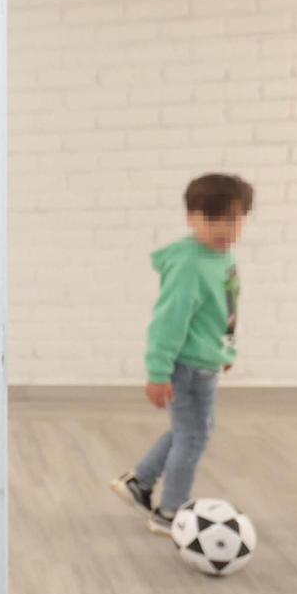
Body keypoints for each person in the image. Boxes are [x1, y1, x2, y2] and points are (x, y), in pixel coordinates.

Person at [110, 173, 253, 536]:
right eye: (212, 219)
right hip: (186, 368)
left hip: (205, 363)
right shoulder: (190, 265)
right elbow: (168, 323)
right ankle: (170, 511)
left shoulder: (222, 258)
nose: (223, 229)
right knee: (193, 437)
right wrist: (158, 372)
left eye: (233, 220)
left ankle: (139, 482)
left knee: (189, 431)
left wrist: (225, 347)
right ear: (191, 218)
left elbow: (223, 308)